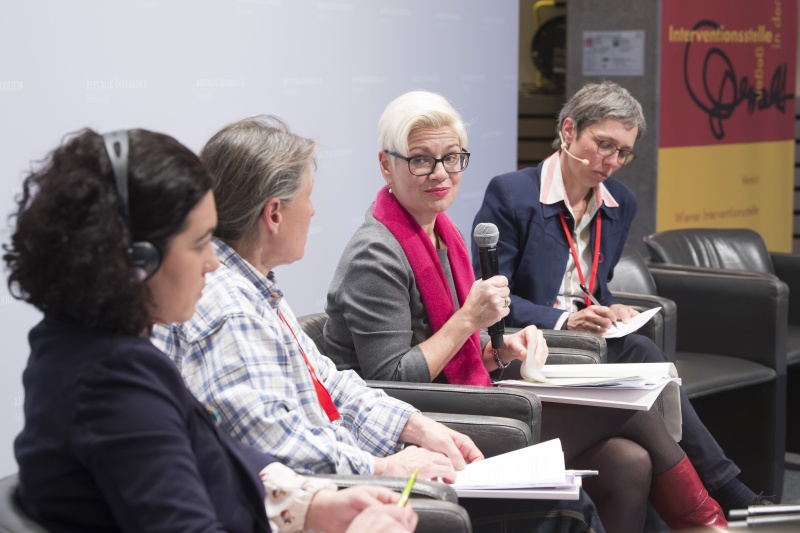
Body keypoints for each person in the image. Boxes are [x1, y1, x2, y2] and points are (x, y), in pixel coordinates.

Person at [151, 115, 606, 533]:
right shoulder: (233, 309)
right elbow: (275, 446)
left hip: (350, 463)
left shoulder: (259, 287)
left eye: (451, 158)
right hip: (335, 488)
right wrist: (382, 467)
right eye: (307, 198)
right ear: (274, 214)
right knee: (569, 507)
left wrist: (417, 424)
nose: (313, 212)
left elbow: (332, 384)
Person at [323, 89, 727, 531]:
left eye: (452, 158)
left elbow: (442, 343)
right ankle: (712, 521)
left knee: (627, 461)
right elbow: (392, 379)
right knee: (633, 409)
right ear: (387, 165)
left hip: (455, 398)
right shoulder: (375, 254)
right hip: (418, 424)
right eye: (421, 160)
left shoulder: (440, 232)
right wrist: (468, 319)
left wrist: (496, 348)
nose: (440, 174)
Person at [5, 128, 418, 533]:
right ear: (134, 262)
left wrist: (307, 506)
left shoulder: (91, 347)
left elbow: (214, 453)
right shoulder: (111, 383)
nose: (213, 262)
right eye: (199, 243)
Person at [469, 80, 767, 514]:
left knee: (643, 365)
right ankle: (730, 496)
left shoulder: (619, 202)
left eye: (623, 152)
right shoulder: (513, 194)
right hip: (531, 341)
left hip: (588, 340)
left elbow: (594, 285)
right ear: (569, 130)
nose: (611, 162)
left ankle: (709, 503)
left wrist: (609, 308)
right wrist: (564, 320)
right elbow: (492, 295)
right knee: (645, 356)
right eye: (604, 144)